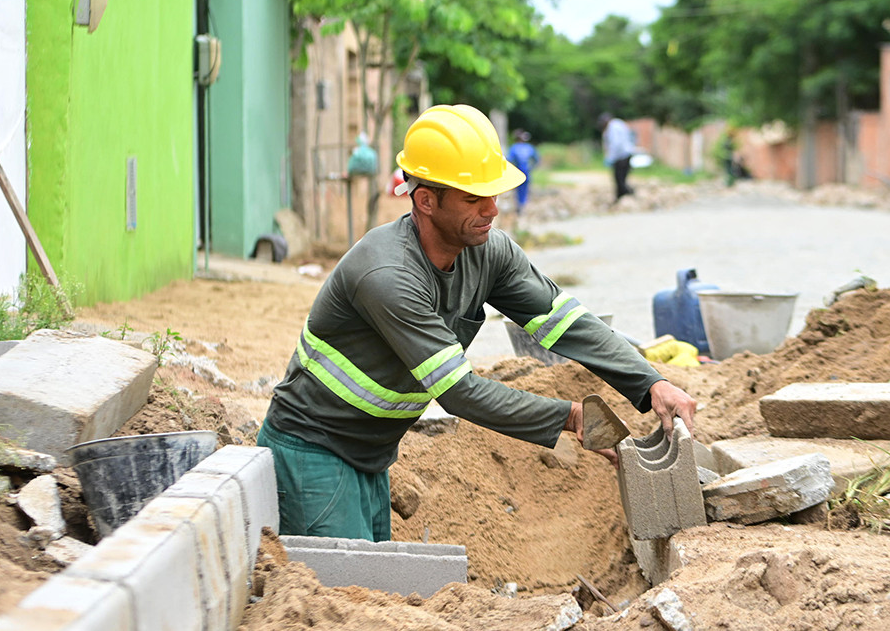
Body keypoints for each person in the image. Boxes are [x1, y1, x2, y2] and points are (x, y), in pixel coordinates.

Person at [257, 103, 696, 540]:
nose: (492, 209)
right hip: (312, 448)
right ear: (426, 200)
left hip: (372, 451)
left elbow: (564, 321)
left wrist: (650, 383)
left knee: (372, 585)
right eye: (473, 197)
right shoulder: (387, 276)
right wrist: (572, 418)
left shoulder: (489, 252)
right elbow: (459, 392)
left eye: (494, 193)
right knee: (345, 594)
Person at [597, 112, 636, 202]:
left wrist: (610, 158)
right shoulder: (618, 124)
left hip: (621, 156)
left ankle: (629, 194)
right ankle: (620, 197)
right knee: (620, 179)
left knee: (619, 179)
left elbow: (615, 144)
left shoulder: (613, 127)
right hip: (625, 155)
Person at [505, 129, 539, 216]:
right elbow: (536, 159)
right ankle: (522, 206)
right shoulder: (528, 147)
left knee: (519, 190)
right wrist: (532, 167)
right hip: (526, 172)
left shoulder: (514, 148)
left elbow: (509, 160)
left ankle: (520, 207)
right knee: (524, 190)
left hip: (519, 172)